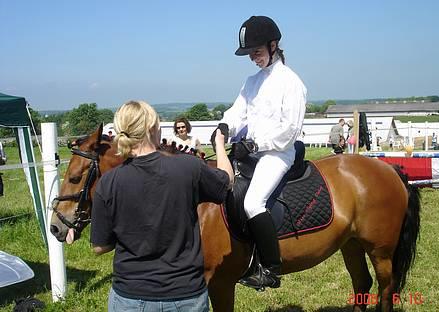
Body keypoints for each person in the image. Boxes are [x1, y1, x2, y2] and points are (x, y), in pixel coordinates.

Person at [90, 100, 234, 312]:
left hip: (129, 296)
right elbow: (226, 182)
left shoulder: (108, 183)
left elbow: (99, 247)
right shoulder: (188, 166)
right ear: (151, 129)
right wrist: (219, 145)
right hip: (185, 294)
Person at [212, 16, 306, 290]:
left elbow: (289, 130)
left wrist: (254, 145)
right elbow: (238, 110)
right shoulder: (251, 81)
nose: (253, 58)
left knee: (253, 203)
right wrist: (225, 126)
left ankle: (271, 268)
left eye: (257, 51)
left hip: (279, 153)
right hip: (250, 151)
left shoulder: (291, 83)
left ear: (273, 45)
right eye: (250, 54)